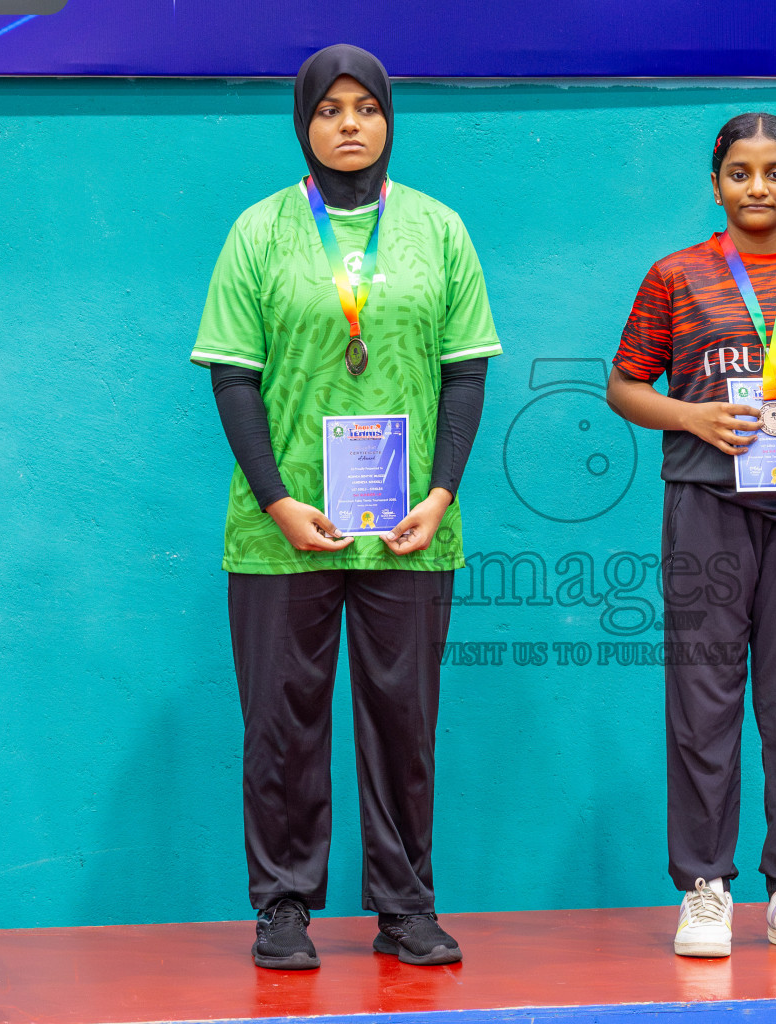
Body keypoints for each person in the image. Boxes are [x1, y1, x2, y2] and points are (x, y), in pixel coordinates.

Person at [190, 44, 502, 969]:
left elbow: (466, 372)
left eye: (367, 107)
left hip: (408, 531)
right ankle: (283, 907)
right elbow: (235, 381)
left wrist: (441, 494)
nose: (351, 124)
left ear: (390, 119)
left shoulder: (440, 229)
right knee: (282, 723)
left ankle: (405, 906)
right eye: (331, 110)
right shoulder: (260, 231)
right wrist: (281, 501)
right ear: (304, 123)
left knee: (404, 719)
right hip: (281, 531)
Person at [606, 112, 776, 959]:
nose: (758, 188)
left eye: (775, 173)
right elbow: (623, 386)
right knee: (704, 701)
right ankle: (705, 888)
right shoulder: (675, 277)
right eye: (740, 172)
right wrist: (688, 414)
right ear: (715, 182)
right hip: (706, 507)